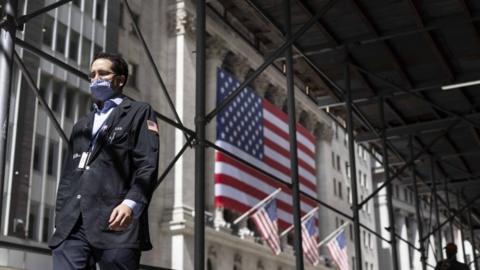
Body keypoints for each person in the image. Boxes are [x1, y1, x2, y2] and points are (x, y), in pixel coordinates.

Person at [49, 52, 159, 270]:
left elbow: (147, 164)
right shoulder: (81, 125)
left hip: (116, 221)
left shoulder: (138, 112)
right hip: (73, 224)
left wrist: (130, 204)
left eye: (103, 73)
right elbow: (68, 176)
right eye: (92, 74)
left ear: (120, 79)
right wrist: (60, 219)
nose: (96, 78)